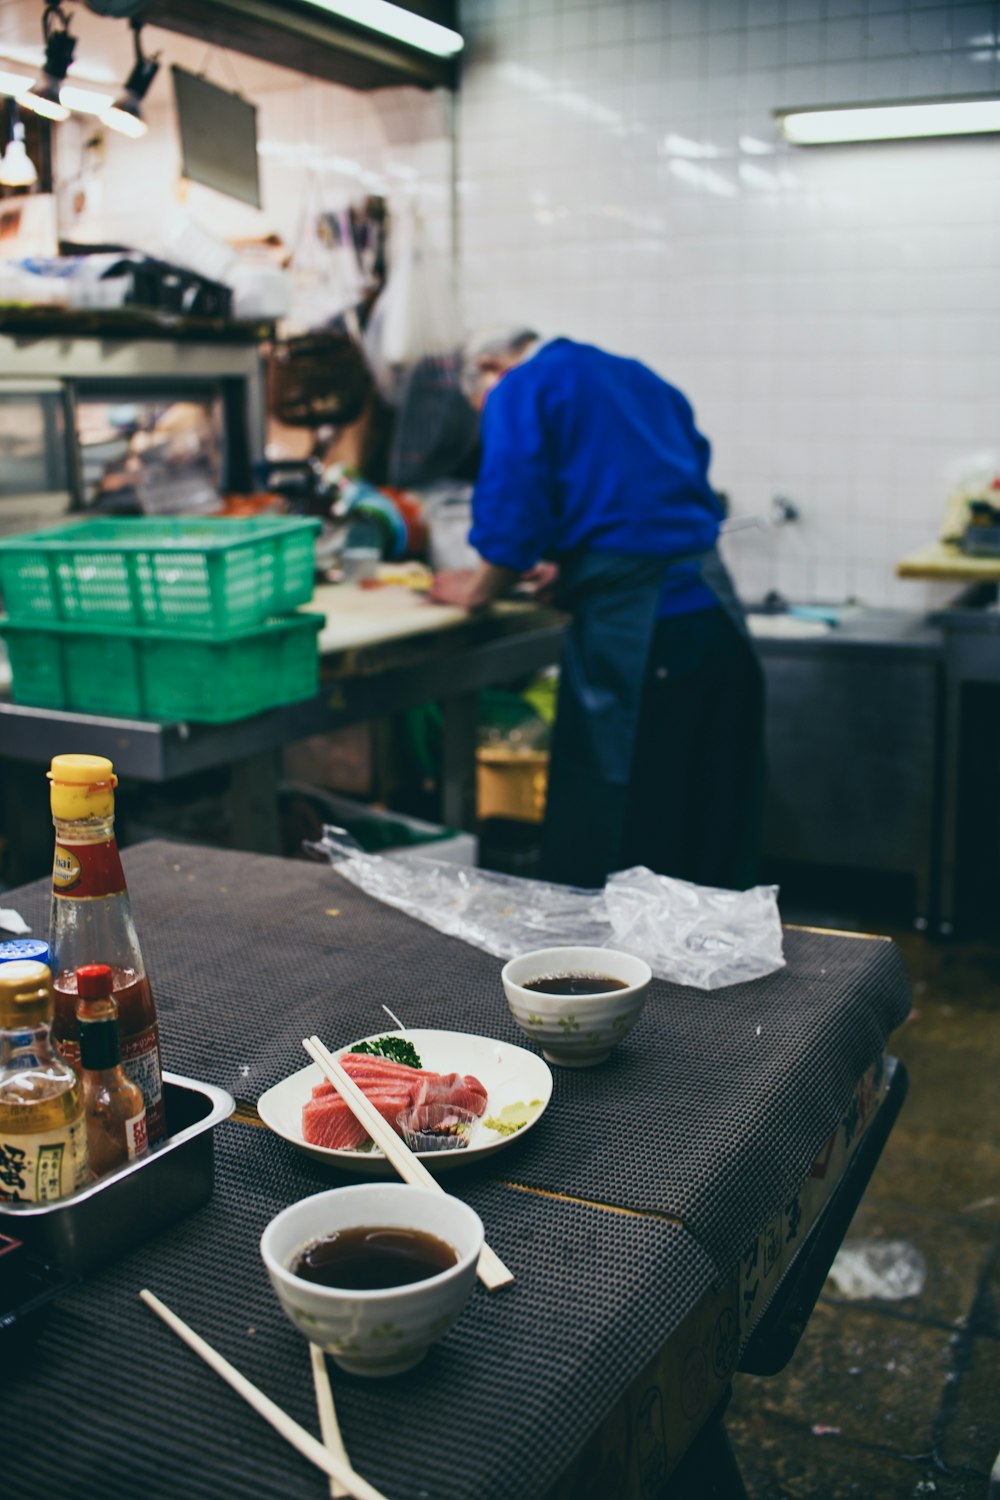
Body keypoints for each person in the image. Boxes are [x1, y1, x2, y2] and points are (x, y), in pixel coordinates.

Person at [429, 330, 765, 891]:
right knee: (711, 820)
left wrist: (477, 588)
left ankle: (627, 978)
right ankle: (714, 973)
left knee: (629, 833)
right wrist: (576, 561)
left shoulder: (521, 386)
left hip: (642, 636)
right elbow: (661, 495)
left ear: (491, 368)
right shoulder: (636, 375)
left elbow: (513, 517)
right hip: (717, 621)